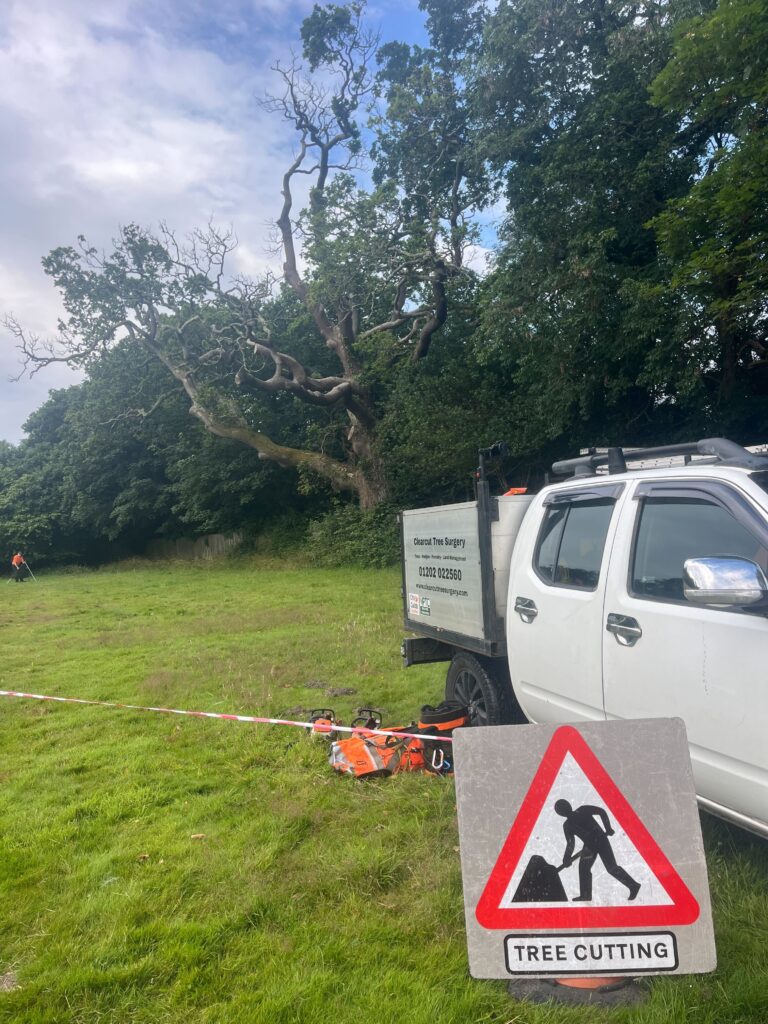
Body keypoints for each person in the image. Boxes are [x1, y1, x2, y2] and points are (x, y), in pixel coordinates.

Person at [554, 798, 640, 902]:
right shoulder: (569, 824)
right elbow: (571, 843)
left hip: (600, 840)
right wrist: (566, 858)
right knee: (585, 869)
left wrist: (608, 828)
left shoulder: (581, 811)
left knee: (611, 867)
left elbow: (601, 812)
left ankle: (633, 885)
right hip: (590, 847)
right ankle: (585, 895)